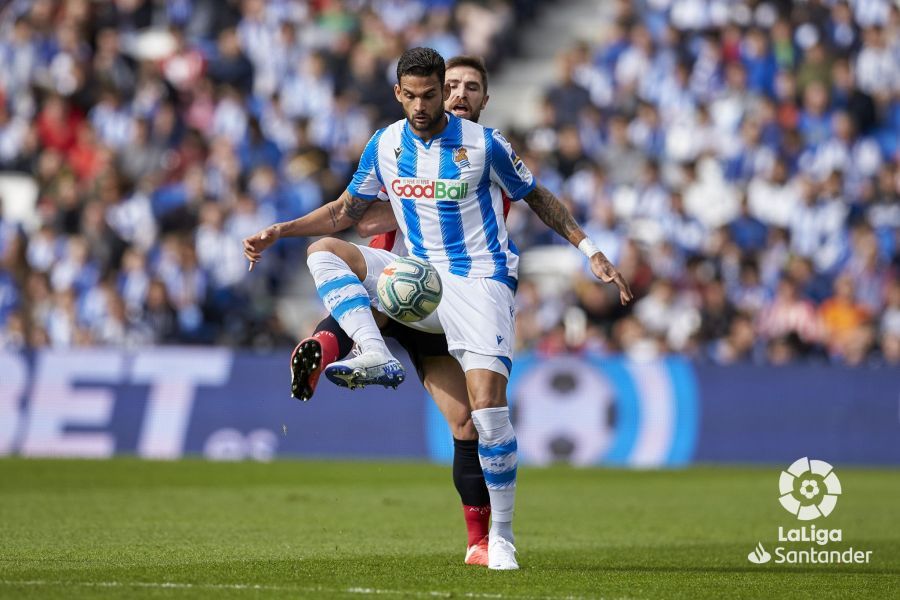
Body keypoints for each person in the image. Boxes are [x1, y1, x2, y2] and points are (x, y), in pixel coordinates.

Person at [243, 48, 632, 570]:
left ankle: (502, 538)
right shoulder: (385, 144)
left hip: (480, 283)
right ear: (398, 93)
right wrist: (281, 231)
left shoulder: (485, 145)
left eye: (433, 94)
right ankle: (371, 353)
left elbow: (538, 197)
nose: (425, 105)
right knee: (323, 254)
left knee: (487, 416)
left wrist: (591, 252)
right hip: (419, 281)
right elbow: (345, 211)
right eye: (415, 96)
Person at [289, 55, 502, 568]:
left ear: (484, 100)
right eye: (450, 86)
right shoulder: (398, 146)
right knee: (373, 295)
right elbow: (359, 220)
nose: (458, 95)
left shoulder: (484, 157)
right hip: (398, 280)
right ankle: (327, 348)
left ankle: (479, 541)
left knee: (467, 425)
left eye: (470, 88)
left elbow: (382, 215)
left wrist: (404, 205)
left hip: (449, 300)